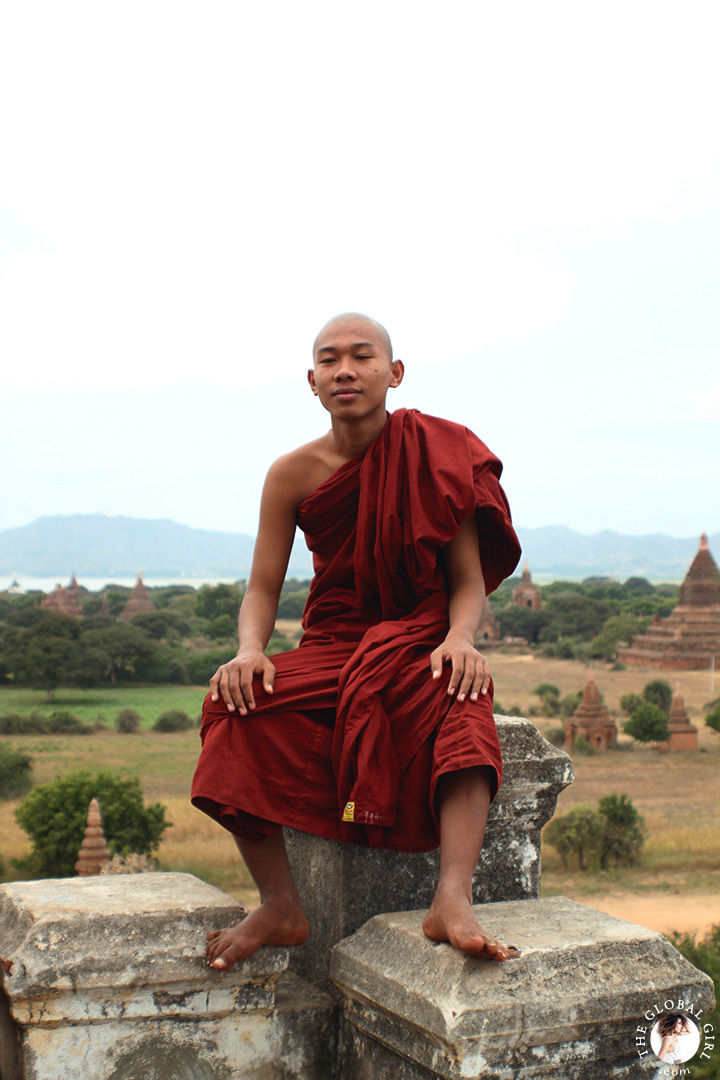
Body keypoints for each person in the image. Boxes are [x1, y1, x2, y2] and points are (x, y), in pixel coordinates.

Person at [191, 312, 522, 971]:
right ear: (311, 381)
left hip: (422, 637)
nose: (346, 369)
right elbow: (261, 587)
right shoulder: (292, 473)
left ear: (393, 373)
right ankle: (280, 904)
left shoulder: (435, 458)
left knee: (464, 708)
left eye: (362, 356)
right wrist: (250, 650)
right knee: (232, 710)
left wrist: (462, 639)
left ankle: (450, 898)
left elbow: (465, 580)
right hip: (335, 643)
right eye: (329, 359)